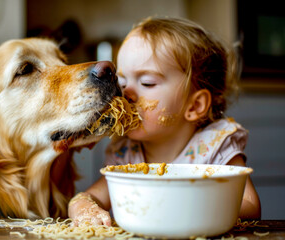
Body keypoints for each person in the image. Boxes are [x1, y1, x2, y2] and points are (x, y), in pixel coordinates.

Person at [68, 17, 261, 226]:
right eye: (121, 82)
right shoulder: (126, 155)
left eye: (147, 82)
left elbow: (250, 204)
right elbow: (85, 199)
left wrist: (193, 206)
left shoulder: (215, 147)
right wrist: (84, 209)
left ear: (194, 106)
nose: (126, 93)